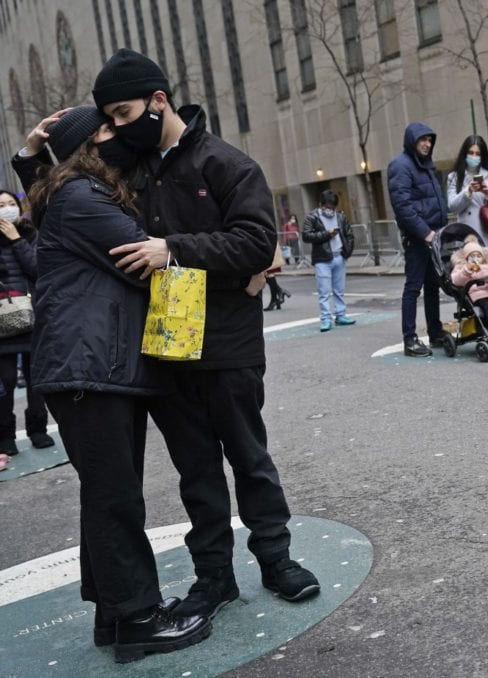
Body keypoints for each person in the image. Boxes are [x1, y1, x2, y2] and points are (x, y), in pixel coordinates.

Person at [87, 48, 319, 619]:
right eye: (109, 118)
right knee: (196, 472)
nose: (117, 127)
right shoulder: (130, 171)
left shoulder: (225, 163)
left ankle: (276, 559)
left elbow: (255, 243)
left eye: (123, 112)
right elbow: (65, 194)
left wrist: (174, 251)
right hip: (167, 347)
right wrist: (31, 155)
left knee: (249, 457)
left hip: (229, 344)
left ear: (158, 101)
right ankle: (214, 577)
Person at [24, 105, 210, 663]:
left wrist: (32, 154)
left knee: (108, 495)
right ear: (88, 145)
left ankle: (116, 612)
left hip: (94, 368)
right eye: (108, 128)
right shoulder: (82, 197)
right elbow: (145, 256)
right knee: (116, 499)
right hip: (89, 369)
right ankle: (137, 620)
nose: (121, 134)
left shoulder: (72, 191)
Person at [0, 188, 54, 456]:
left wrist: (15, 240)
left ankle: (38, 429)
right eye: (1, 205)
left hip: (33, 316)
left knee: (37, 380)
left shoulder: (30, 233)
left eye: (11, 203)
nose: (7, 208)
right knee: (6, 380)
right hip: (2, 323)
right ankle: (5, 435)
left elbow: (37, 267)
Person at [388, 122, 448, 357]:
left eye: (430, 140)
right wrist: (425, 233)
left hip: (434, 236)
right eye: (422, 140)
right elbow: (403, 206)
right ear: (412, 141)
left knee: (433, 286)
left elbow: (435, 200)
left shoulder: (426, 165)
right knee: (413, 288)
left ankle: (435, 331)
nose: (427, 143)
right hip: (419, 238)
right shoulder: (400, 165)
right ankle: (410, 340)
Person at [446, 135, 488, 267]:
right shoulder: (454, 177)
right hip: (471, 234)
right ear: (464, 154)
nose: (474, 157)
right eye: (471, 153)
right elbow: (452, 206)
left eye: (478, 154)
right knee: (475, 276)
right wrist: (468, 191)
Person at [301, 189, 355, 331]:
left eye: (332, 207)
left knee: (339, 290)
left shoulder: (340, 217)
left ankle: (341, 315)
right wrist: (326, 234)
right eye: (327, 207)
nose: (330, 210)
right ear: (320, 205)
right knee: (324, 291)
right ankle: (325, 318)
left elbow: (349, 234)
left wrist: (347, 252)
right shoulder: (312, 217)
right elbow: (306, 236)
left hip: (339, 257)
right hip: (322, 259)